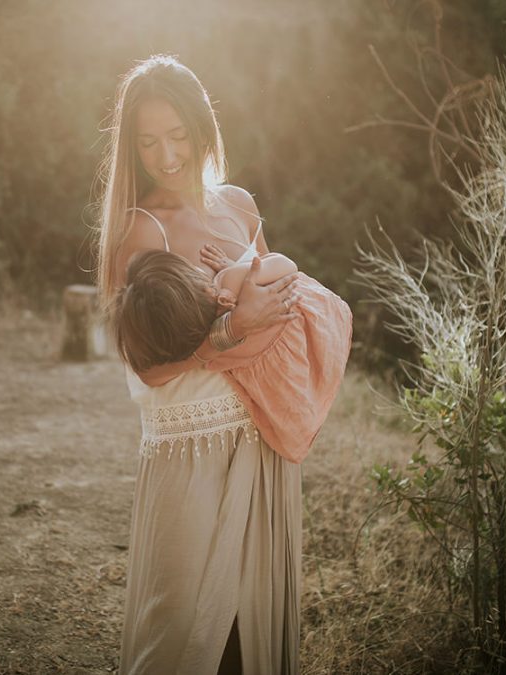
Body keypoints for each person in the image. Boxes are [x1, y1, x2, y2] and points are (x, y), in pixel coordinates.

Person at [95, 54, 303, 674]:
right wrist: (229, 328)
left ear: (202, 127)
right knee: (181, 626)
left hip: (260, 437)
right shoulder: (138, 231)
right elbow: (148, 369)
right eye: (149, 140)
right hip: (191, 449)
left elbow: (278, 308)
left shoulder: (240, 207)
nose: (167, 155)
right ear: (132, 146)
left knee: (251, 628)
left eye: (179, 135)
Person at [112, 248, 352, 464]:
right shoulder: (228, 282)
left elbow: (287, 269)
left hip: (300, 330)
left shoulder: (204, 345)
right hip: (300, 342)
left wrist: (241, 273)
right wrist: (234, 270)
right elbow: (287, 263)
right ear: (199, 282)